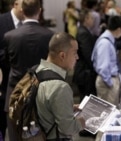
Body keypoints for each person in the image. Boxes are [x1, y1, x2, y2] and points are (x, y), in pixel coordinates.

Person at [3, 0, 53, 140]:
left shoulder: (10, 36)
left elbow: (7, 63)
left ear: (22, 11)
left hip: (15, 95)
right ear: (40, 11)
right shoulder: (49, 35)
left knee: (15, 136)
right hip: (41, 94)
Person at [36, 32, 85, 140]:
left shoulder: (37, 71)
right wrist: (83, 122)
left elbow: (44, 106)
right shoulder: (60, 87)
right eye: (75, 53)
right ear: (62, 55)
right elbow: (68, 128)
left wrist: (67, 108)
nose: (77, 57)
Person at [0, 0, 24, 138]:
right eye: (23, 5)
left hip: (24, 87)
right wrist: (11, 55)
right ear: (15, 4)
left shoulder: (29, 22)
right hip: (4, 83)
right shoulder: (2, 21)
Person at [92, 15, 121, 107]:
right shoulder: (105, 43)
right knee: (108, 113)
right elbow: (103, 67)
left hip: (110, 79)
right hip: (107, 81)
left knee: (112, 109)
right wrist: (110, 83)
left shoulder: (108, 40)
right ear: (119, 29)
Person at [74, 9, 96, 101]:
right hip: (85, 73)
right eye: (91, 18)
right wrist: (95, 68)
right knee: (86, 100)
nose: (93, 20)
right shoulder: (83, 33)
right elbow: (87, 54)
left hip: (85, 72)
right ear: (86, 19)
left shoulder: (84, 31)